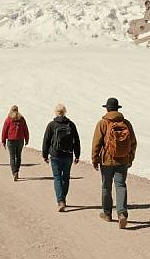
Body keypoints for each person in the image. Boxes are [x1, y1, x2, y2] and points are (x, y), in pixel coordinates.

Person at [91, 97, 137, 230]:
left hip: (106, 161)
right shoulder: (126, 123)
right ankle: (122, 213)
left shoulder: (103, 123)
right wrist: (130, 158)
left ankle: (107, 213)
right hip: (122, 160)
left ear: (107, 108)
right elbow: (133, 143)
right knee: (121, 185)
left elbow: (96, 143)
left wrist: (95, 159)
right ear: (118, 109)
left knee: (106, 187)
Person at [42, 103, 81, 212]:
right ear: (65, 112)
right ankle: (63, 197)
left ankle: (60, 200)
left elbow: (46, 140)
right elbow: (76, 140)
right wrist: (77, 155)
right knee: (66, 177)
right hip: (68, 155)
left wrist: (45, 155)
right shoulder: (71, 124)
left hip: (55, 155)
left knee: (57, 177)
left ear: (56, 112)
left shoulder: (52, 125)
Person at [1, 105, 29, 181]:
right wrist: (27, 139)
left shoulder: (8, 119)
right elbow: (25, 129)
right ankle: (17, 170)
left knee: (12, 157)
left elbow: (4, 130)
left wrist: (3, 141)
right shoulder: (22, 119)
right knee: (18, 156)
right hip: (20, 140)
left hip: (11, 140)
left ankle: (14, 172)